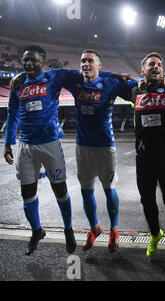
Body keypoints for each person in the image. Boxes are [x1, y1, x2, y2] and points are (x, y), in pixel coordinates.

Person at [3, 45, 79, 255]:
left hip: (50, 143)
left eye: (33, 60)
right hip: (25, 146)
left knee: (60, 190)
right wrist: (8, 142)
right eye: (25, 60)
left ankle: (68, 229)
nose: (28, 63)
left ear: (43, 61)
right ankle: (37, 231)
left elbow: (84, 72)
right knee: (27, 194)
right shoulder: (18, 83)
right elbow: (12, 114)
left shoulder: (55, 77)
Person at [62, 50, 137, 253]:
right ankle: (95, 228)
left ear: (100, 65)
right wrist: (22, 76)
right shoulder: (75, 81)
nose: (85, 63)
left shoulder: (112, 83)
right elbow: (52, 74)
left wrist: (113, 76)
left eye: (90, 60)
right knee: (86, 190)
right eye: (83, 60)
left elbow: (139, 84)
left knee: (109, 189)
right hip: (83, 146)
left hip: (105, 145)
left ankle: (114, 231)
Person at [126, 52, 165, 259]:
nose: (156, 67)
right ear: (143, 70)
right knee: (147, 200)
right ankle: (155, 234)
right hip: (143, 158)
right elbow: (116, 81)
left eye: (159, 64)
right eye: (151, 64)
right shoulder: (134, 92)